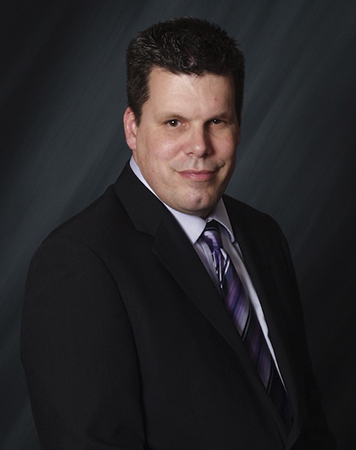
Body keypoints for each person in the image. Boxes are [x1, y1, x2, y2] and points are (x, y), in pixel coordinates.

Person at [21, 17, 336, 450]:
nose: (199, 146)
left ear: (238, 126)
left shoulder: (263, 236)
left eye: (217, 122)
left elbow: (304, 415)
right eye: (174, 123)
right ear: (132, 128)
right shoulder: (78, 263)